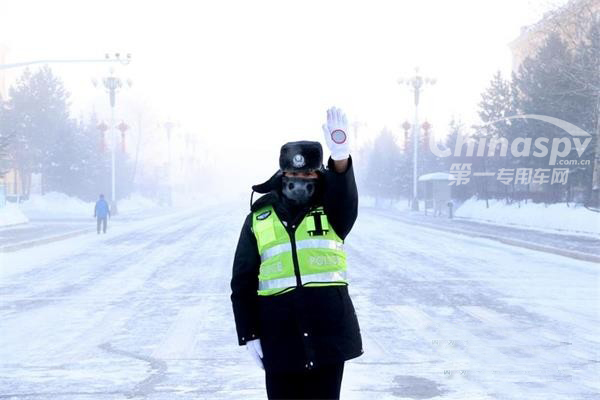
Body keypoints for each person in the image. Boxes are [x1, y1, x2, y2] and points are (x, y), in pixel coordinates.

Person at [230, 107, 363, 399]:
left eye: (307, 173)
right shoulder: (259, 218)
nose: (299, 180)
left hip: (328, 335)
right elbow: (242, 281)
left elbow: (344, 195)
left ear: (319, 175)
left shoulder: (333, 212)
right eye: (293, 173)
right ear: (282, 174)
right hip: (279, 336)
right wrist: (249, 332)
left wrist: (340, 157)